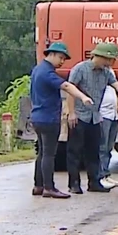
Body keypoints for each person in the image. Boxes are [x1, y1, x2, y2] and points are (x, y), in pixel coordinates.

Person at [66, 42, 118, 194]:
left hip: (95, 117)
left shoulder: (106, 72)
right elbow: (70, 89)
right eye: (112, 59)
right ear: (104, 57)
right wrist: (71, 112)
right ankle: (74, 183)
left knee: (94, 151)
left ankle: (94, 182)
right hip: (79, 116)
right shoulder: (80, 69)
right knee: (74, 151)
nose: (113, 63)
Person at [29, 42, 95, 199]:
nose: (62, 62)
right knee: (49, 154)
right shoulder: (47, 73)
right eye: (60, 57)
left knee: (42, 153)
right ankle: (49, 188)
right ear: (50, 54)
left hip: (37, 117)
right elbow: (66, 86)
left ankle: (38, 186)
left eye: (64, 59)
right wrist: (83, 96)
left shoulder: (37, 70)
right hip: (48, 118)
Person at [98, 82, 118, 189]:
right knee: (102, 147)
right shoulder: (96, 71)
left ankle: (106, 174)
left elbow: (114, 92)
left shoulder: (110, 72)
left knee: (108, 148)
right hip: (103, 115)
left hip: (113, 115)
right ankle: (100, 176)